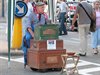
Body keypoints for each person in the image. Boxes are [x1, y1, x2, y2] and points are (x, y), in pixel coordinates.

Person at [22, 2, 46, 68]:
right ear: (37, 8)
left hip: (38, 32)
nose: (43, 9)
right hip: (31, 31)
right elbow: (28, 26)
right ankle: (28, 55)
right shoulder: (31, 15)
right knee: (28, 38)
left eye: (43, 7)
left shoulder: (43, 16)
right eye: (42, 7)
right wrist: (33, 34)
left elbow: (42, 26)